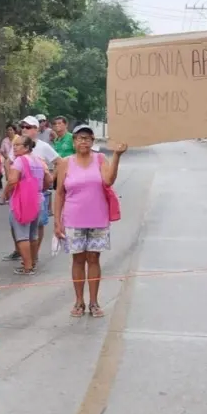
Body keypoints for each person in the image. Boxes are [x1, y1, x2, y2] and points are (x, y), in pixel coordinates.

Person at [54, 126, 126, 317]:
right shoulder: (65, 163)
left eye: (87, 138)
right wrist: (57, 221)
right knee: (78, 260)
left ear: (93, 141)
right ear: (74, 141)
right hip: (73, 219)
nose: (83, 141)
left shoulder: (100, 159)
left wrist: (117, 155)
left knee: (94, 258)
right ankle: (79, 302)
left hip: (97, 218)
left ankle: (94, 302)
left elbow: (109, 180)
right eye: (79, 138)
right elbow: (59, 193)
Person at [4, 115, 59, 265]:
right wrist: (10, 177)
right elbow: (8, 162)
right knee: (19, 226)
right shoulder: (18, 145)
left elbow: (59, 162)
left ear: (36, 129)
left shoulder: (43, 147)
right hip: (22, 193)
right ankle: (23, 254)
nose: (24, 130)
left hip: (35, 193)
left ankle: (32, 258)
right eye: (22, 127)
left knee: (37, 225)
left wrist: (49, 181)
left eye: (28, 127)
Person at [4, 135, 49, 275]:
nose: (15, 147)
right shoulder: (39, 160)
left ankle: (27, 267)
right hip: (37, 199)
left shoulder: (19, 161)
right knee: (33, 234)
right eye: (14, 145)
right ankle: (33, 262)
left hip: (22, 202)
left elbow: (12, 181)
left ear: (27, 147)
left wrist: (5, 193)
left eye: (18, 145)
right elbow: (49, 178)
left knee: (22, 235)